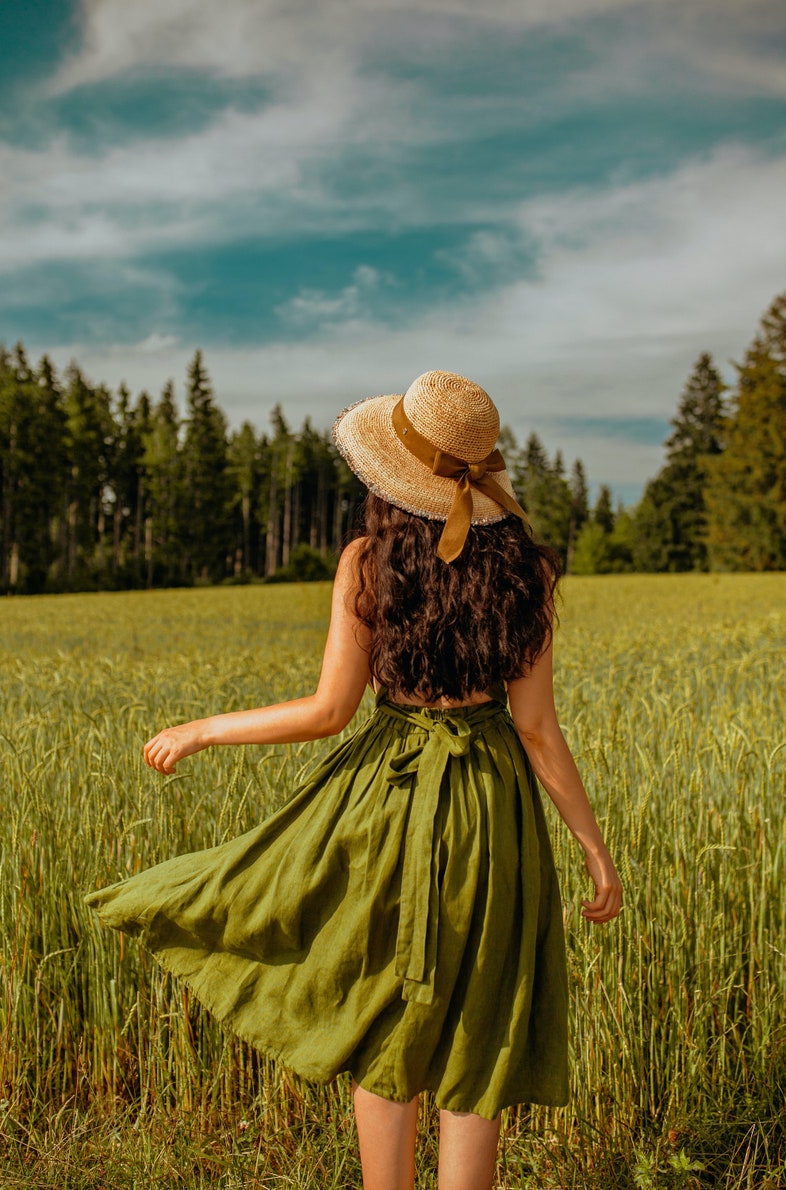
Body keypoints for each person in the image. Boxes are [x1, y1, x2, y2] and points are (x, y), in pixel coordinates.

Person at [87, 370, 622, 1190]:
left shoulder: (367, 562)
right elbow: (538, 731)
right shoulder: (528, 571)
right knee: (478, 1019)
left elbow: (329, 711)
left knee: (382, 1011)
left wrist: (203, 730)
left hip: (387, 800)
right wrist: (593, 845)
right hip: (491, 810)